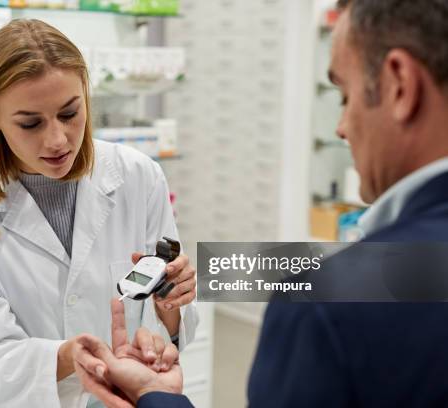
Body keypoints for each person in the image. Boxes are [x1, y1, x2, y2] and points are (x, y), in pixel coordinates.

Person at [74, 0, 448, 406]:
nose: (341, 127)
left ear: (399, 85)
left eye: (344, 95)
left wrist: (154, 395)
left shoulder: (325, 304)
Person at [0, 19, 198, 408]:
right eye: (30, 123)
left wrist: (170, 308)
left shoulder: (138, 175)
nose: (56, 140)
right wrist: (70, 357)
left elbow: (166, 330)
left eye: (70, 113)